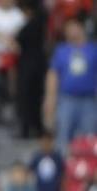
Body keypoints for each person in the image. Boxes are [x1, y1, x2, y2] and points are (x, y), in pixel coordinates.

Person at [44, 17, 97, 155]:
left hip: (89, 99)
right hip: (66, 99)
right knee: (63, 136)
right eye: (67, 29)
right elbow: (53, 75)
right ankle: (64, 170)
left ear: (81, 28)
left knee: (89, 137)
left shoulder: (93, 49)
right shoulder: (61, 50)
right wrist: (50, 99)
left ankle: (86, 169)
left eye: (73, 28)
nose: (70, 32)